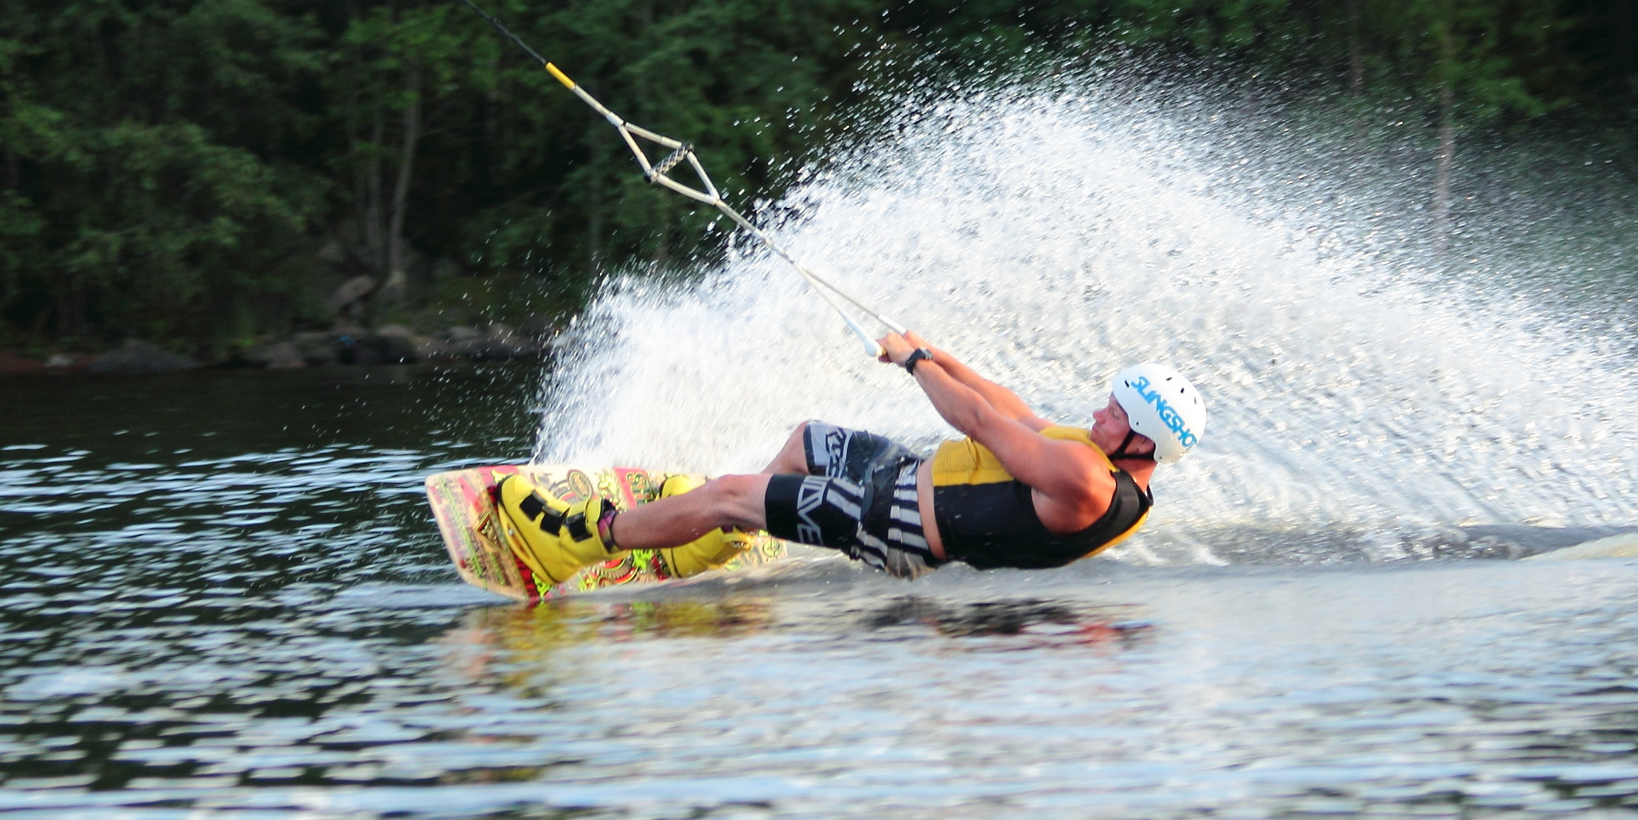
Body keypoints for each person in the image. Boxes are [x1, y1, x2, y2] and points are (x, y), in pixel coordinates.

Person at [493, 331, 1209, 591]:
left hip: (896, 527)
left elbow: (980, 421)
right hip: (909, 483)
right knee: (808, 440)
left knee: (730, 490)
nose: (1100, 412)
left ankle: (576, 540)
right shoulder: (1099, 458)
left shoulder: (1086, 481)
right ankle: (713, 542)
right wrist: (933, 348)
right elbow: (1009, 404)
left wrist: (916, 364)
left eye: (1116, 412)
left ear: (1142, 442)